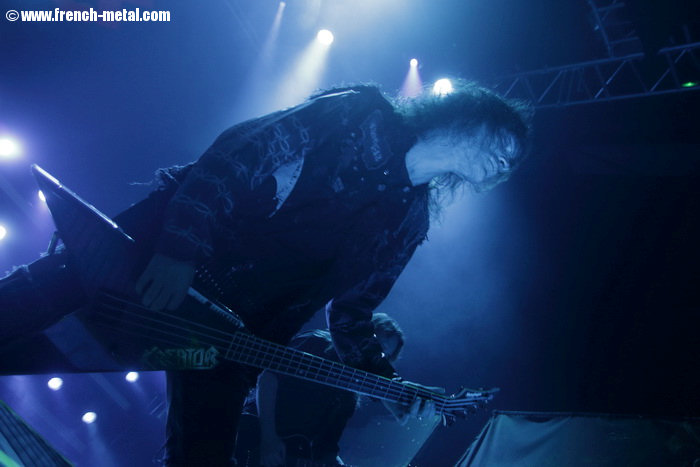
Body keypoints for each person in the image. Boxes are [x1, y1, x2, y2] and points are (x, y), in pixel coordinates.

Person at [0, 80, 532, 465]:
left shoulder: (410, 221)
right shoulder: (358, 115)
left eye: (514, 163)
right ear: (469, 118)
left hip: (228, 338)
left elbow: (352, 313)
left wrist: (386, 384)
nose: (508, 164)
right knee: (32, 302)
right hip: (151, 262)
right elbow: (237, 155)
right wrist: (180, 249)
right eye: (505, 145)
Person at [252, 313, 405, 467]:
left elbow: (326, 449)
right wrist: (268, 438)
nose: (378, 357)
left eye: (385, 355)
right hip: (253, 433)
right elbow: (268, 378)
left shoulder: (350, 393)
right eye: (377, 345)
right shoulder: (318, 342)